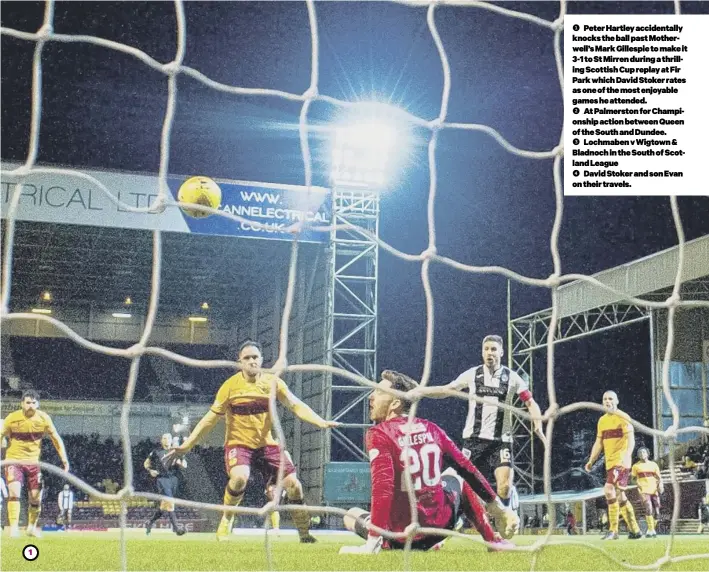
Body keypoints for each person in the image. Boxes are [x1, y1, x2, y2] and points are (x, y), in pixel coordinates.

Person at [167, 340, 340, 542]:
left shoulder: (273, 383)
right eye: (247, 358)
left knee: (294, 485)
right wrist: (187, 445)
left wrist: (319, 421)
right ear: (239, 362)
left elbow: (295, 405)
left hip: (267, 445)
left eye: (255, 357)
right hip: (239, 444)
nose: (251, 361)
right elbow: (209, 420)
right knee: (240, 477)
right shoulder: (229, 387)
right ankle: (227, 519)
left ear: (261, 360)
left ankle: (304, 533)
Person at [339, 370, 519, 555]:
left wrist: (372, 541)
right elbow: (467, 468)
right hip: (440, 527)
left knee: (350, 514)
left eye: (378, 392)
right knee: (457, 476)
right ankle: (493, 541)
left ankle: (381, 539)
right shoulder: (433, 429)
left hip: (401, 538)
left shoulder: (379, 433)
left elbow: (383, 488)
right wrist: (497, 506)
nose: (371, 396)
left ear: (395, 403)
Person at [438, 335, 547, 507]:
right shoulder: (472, 374)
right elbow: (447, 389)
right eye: (486, 349)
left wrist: (538, 425)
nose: (490, 352)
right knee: (463, 484)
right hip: (474, 441)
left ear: (501, 352)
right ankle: (459, 513)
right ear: (482, 352)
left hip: (501, 442)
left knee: (504, 487)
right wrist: (421, 392)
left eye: (494, 349)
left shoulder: (512, 377)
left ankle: (505, 515)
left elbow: (530, 403)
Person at [1, 390, 70, 538]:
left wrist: (64, 459)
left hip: (33, 463)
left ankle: (31, 527)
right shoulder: (12, 418)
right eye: (27, 402)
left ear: (38, 404)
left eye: (33, 402)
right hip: (14, 460)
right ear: (22, 404)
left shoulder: (44, 419)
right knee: (14, 493)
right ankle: (13, 528)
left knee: (35, 498)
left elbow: (56, 438)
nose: (30, 405)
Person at [584, 390, 642, 540]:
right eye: (605, 399)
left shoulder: (623, 417)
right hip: (610, 464)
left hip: (621, 462)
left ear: (617, 401)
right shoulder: (602, 421)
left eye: (610, 399)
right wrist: (591, 460)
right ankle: (635, 530)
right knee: (620, 496)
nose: (607, 401)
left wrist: (627, 457)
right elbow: (598, 443)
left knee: (608, 490)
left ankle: (613, 531)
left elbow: (631, 440)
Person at [143, 433, 187, 536]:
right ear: (161, 440)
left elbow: (184, 465)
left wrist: (180, 462)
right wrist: (150, 470)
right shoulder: (156, 452)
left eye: (168, 438)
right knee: (170, 502)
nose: (166, 440)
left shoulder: (176, 451)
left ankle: (149, 523)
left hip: (174, 480)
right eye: (164, 438)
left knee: (163, 506)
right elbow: (146, 463)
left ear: (171, 440)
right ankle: (176, 529)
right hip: (162, 479)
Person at [629, 447, 663, 538]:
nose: (642, 454)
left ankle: (651, 529)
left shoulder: (654, 465)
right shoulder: (636, 466)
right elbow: (632, 479)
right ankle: (651, 530)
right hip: (643, 490)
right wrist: (637, 484)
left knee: (657, 512)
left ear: (647, 454)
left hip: (654, 489)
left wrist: (660, 485)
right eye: (640, 453)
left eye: (643, 452)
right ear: (638, 455)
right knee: (648, 507)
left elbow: (659, 477)